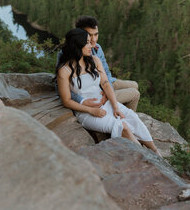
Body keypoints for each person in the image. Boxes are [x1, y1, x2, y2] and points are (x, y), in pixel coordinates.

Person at [56, 28, 161, 156]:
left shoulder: (94, 61)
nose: (91, 45)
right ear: (77, 46)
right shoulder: (64, 70)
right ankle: (145, 156)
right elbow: (66, 101)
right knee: (122, 127)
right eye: (87, 43)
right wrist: (91, 110)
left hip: (105, 103)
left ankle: (155, 150)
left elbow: (105, 84)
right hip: (85, 112)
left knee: (131, 116)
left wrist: (115, 106)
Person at [57, 16, 140, 112]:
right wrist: (81, 101)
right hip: (91, 92)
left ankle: (117, 110)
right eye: (89, 35)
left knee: (135, 85)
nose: (93, 39)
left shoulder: (97, 48)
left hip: (103, 82)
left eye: (96, 34)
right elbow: (59, 86)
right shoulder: (66, 54)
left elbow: (106, 72)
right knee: (134, 93)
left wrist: (107, 90)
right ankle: (121, 117)